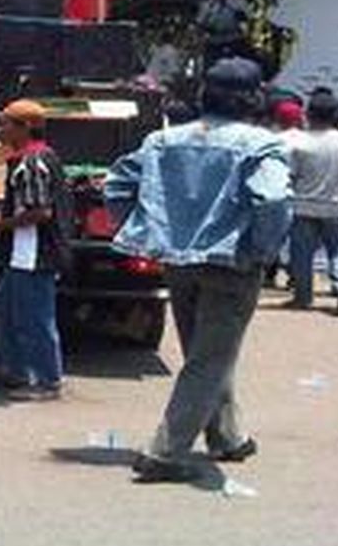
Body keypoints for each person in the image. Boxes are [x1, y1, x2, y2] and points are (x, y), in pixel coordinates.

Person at [105, 57, 291, 483]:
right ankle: (165, 452)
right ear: (254, 97)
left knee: (204, 355)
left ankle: (227, 436)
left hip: (177, 262)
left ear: (203, 94)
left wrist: (143, 232)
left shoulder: (162, 141)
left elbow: (117, 184)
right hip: (231, 264)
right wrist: (263, 250)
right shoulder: (260, 144)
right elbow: (274, 200)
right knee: (210, 357)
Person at [0, 99, 71, 402]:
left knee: (35, 318)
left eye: (5, 123)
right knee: (4, 306)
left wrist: (1, 223)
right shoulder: (26, 158)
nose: (0, 129)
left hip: (34, 253)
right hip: (21, 253)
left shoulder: (33, 162)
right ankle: (15, 369)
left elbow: (40, 212)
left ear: (25, 127)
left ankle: (48, 380)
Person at [283, 91, 338, 316]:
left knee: (302, 253)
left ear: (308, 115)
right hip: (336, 206)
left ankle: (303, 296)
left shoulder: (298, 143)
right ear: (336, 116)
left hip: (303, 205)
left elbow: (290, 176)